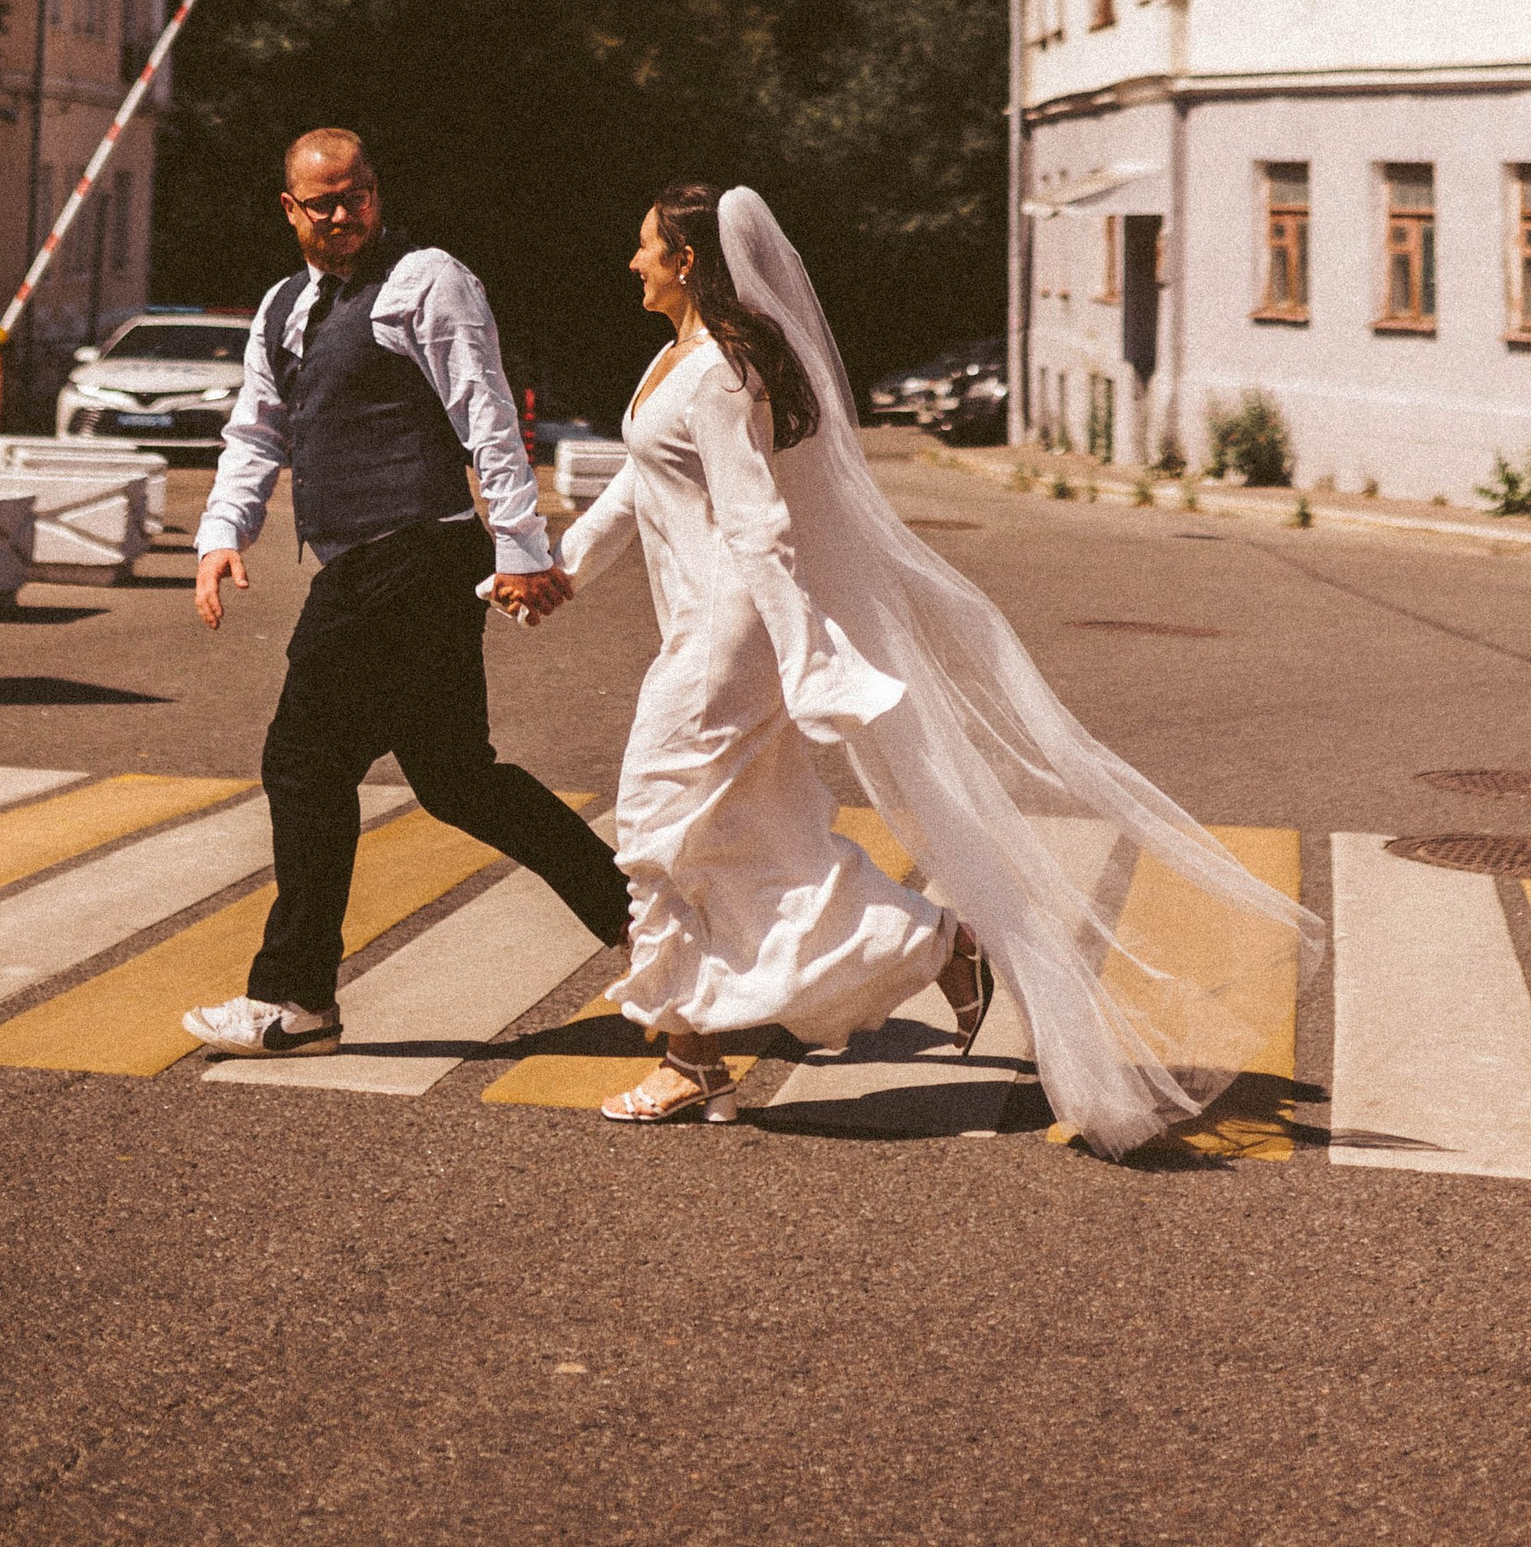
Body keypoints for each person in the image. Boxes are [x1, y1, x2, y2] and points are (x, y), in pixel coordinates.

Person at [522, 181, 1322, 1149]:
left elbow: (757, 526)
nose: (632, 262)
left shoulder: (726, 373)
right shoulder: (673, 358)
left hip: (731, 636)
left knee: (653, 826)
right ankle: (940, 943)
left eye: (643, 247)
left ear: (686, 262)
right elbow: (641, 482)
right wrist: (559, 571)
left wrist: (806, 655)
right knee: (758, 835)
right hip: (700, 626)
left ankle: (690, 1063)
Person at [181, 126, 630, 1057]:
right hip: (372, 564)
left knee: (303, 764)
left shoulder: (428, 280)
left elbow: (487, 414)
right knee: (460, 781)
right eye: (323, 204)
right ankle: (651, 931)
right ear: (290, 209)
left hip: (413, 556)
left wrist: (520, 545)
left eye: (358, 196)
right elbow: (257, 431)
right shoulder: (281, 306)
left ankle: (295, 1000)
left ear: (377, 193)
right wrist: (225, 533)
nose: (343, 217)